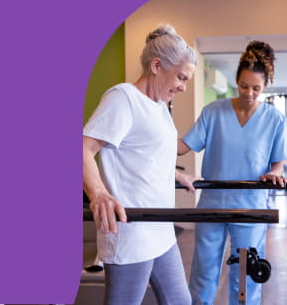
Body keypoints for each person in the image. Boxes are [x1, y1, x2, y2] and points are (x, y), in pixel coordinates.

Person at [83, 23, 200, 305]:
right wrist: (98, 193)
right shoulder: (123, 98)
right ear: (157, 65)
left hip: (160, 229)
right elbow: (83, 148)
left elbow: (146, 155)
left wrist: (175, 174)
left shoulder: (159, 106)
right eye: (181, 78)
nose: (183, 87)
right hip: (132, 232)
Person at [178, 40, 287, 305]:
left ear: (266, 86)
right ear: (236, 81)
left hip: (250, 208)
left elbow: (278, 164)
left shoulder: (274, 119)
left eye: (257, 88)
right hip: (211, 207)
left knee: (246, 277)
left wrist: (274, 173)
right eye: (244, 86)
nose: (249, 93)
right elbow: (181, 147)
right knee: (203, 275)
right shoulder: (213, 112)